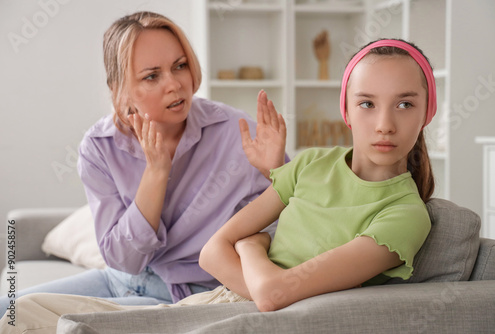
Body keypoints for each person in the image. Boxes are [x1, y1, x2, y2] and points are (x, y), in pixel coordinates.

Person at [0, 38, 436, 332]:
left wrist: (249, 247)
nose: (384, 124)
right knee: (20, 308)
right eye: (367, 103)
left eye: (404, 104)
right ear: (346, 109)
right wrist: (254, 254)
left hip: (228, 313)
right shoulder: (314, 164)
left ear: (428, 112)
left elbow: (272, 292)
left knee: (59, 325)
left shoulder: (405, 215)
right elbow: (214, 251)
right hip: (205, 298)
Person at [0, 11, 287, 317]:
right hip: (122, 279)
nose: (175, 84)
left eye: (180, 66)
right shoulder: (100, 147)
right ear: (120, 88)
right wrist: (157, 172)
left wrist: (275, 174)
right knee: (8, 309)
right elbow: (124, 261)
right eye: (152, 76)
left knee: (61, 322)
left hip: (193, 294)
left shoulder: (237, 131)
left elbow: (297, 218)